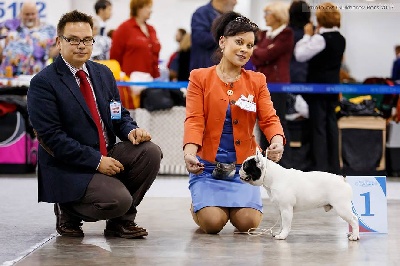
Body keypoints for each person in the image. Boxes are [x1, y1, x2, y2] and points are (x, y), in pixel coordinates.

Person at [27, 10, 162, 238]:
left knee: (149, 152)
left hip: (106, 153)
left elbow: (118, 115)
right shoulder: (43, 83)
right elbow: (52, 138)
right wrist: (97, 161)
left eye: (87, 39)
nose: (82, 45)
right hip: (69, 166)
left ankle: (120, 222)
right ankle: (67, 209)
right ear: (59, 42)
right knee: (118, 199)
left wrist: (131, 131)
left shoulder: (103, 73)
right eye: (73, 39)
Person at [183, 12, 285, 234]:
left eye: (249, 45)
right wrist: (190, 152)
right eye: (239, 42)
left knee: (248, 223)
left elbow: (269, 118)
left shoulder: (257, 81)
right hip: (207, 168)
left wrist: (277, 140)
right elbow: (194, 119)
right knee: (212, 223)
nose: (244, 50)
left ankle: (224, 204)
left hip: (245, 167)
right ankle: (200, 204)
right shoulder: (199, 77)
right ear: (222, 41)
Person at [294, 2, 346, 174]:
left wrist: (307, 36)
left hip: (317, 89)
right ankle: (333, 166)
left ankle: (320, 166)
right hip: (333, 88)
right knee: (331, 126)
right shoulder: (340, 38)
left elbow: (300, 55)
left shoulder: (319, 39)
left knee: (318, 127)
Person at [251, 1, 294, 168]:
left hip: (277, 85)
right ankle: (265, 161)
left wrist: (259, 51)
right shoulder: (264, 34)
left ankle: (284, 163)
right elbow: (257, 56)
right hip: (262, 83)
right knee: (262, 124)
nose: (265, 17)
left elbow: (267, 53)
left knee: (277, 123)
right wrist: (261, 52)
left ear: (277, 16)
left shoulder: (286, 34)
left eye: (267, 13)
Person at [0, 1, 56, 76]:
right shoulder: (10, 25)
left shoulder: (48, 30)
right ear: (21, 14)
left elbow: (52, 52)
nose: (30, 17)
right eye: (27, 14)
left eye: (32, 14)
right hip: (10, 78)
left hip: (38, 78)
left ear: (37, 13)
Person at [110, 0, 161, 78]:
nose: (151, 11)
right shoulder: (124, 29)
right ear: (139, 8)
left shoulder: (151, 29)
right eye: (148, 7)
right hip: (130, 81)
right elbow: (114, 57)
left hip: (152, 79)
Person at [189, 0, 237, 71]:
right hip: (205, 69)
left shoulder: (228, 17)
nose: (236, 2)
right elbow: (201, 38)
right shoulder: (201, 13)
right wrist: (228, 37)